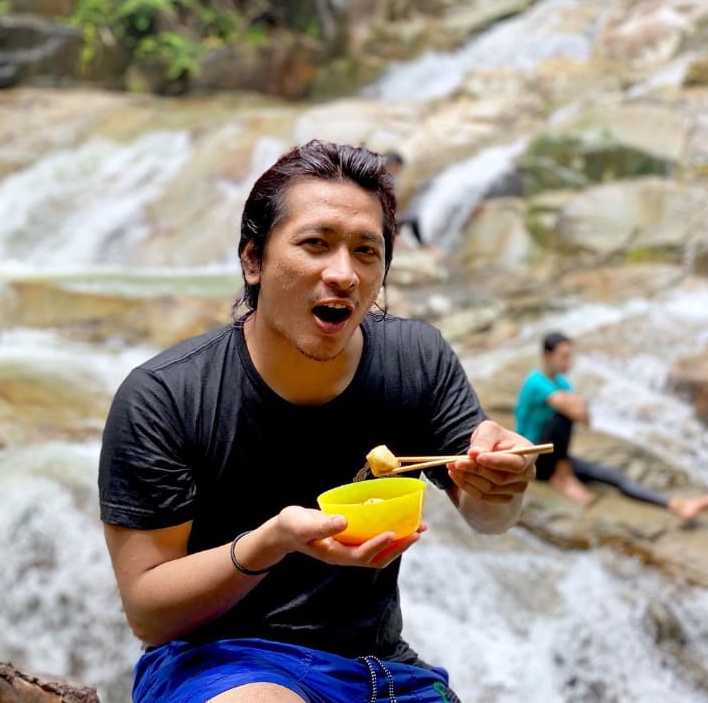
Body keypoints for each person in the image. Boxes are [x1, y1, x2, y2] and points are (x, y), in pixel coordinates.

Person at [99, 140, 538, 703]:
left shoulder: (417, 359)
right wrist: (269, 544)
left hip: (382, 669)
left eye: (366, 251)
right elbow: (148, 613)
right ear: (253, 259)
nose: (344, 274)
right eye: (316, 244)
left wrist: (502, 486)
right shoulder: (166, 396)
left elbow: (486, 517)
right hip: (221, 664)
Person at [515, 331, 708, 522]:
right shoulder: (535, 382)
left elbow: (585, 417)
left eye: (570, 356)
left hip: (556, 455)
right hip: (534, 459)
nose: (569, 362)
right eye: (563, 357)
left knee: (614, 475)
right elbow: (574, 412)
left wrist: (572, 406)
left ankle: (678, 505)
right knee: (561, 417)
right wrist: (571, 406)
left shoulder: (562, 383)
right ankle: (562, 476)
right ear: (547, 356)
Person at [382, 150, 429, 250]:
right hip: (382, 218)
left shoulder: (380, 174)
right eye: (400, 167)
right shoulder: (388, 178)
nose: (400, 171)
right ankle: (423, 246)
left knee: (408, 217)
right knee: (413, 218)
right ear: (395, 165)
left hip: (381, 215)